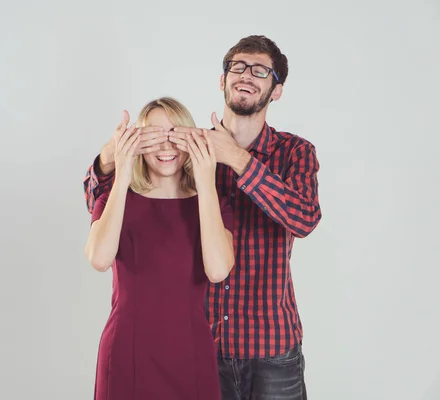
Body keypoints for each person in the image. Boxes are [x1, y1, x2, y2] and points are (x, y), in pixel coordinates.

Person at [83, 35, 322, 400]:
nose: (247, 75)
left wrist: (238, 160)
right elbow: (100, 196)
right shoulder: (186, 149)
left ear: (276, 91)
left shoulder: (295, 151)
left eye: (261, 71)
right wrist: (111, 155)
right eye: (237, 67)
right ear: (222, 80)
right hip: (205, 344)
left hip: (270, 345)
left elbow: (304, 219)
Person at [84, 97, 235, 400]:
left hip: (191, 353)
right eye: (154, 137)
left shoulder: (211, 203)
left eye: (175, 135)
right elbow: (99, 259)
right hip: (128, 350)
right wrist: (123, 171)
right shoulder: (114, 198)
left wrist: (205, 181)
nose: (166, 147)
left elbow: (218, 270)